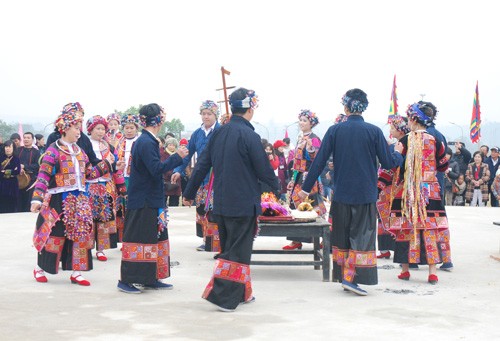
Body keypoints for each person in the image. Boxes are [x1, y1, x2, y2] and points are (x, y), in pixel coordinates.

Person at [297, 88, 403, 296]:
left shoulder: (335, 131)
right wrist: (397, 153)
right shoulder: (373, 132)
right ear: (364, 108)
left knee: (343, 237)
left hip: (342, 194)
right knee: (361, 237)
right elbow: (389, 163)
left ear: (345, 107)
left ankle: (345, 275)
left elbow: (318, 162)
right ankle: (351, 279)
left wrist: (305, 188)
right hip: (365, 194)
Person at [183, 87, 279, 312]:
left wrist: (188, 192)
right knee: (237, 251)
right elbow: (264, 170)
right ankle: (224, 297)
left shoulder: (218, 133)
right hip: (243, 203)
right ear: (250, 109)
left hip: (222, 203)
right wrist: (278, 190)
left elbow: (202, 164)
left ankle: (243, 293)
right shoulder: (250, 136)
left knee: (232, 247)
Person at [31, 102, 118, 286]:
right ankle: (40, 268)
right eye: (75, 128)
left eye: (79, 128)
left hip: (80, 199)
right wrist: (36, 199)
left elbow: (89, 174)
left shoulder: (80, 152)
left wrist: (106, 164)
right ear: (64, 129)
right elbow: (43, 176)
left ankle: (77, 272)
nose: (79, 132)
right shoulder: (53, 151)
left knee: (81, 235)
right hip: (58, 199)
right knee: (55, 234)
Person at [118, 103, 188, 294]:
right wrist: (177, 157)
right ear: (159, 120)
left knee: (154, 238)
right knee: (138, 239)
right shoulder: (146, 142)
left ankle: (150, 277)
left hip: (151, 199)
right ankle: (127, 280)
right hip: (143, 201)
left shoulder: (148, 140)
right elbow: (156, 168)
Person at [390, 103, 450, 285]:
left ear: (414, 119)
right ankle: (432, 272)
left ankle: (406, 270)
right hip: (430, 191)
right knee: (430, 227)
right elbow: (443, 164)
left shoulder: (405, 141)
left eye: (409, 119)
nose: (407, 122)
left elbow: (396, 164)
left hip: (409, 191)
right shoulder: (434, 140)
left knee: (407, 228)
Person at [171, 100, 221, 252]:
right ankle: (206, 239)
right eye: (203, 114)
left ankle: (216, 242)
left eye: (209, 114)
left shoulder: (221, 131)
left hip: (216, 176)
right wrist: (178, 169)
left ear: (215, 115)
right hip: (201, 176)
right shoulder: (197, 134)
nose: (206, 117)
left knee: (214, 210)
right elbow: (187, 154)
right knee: (201, 208)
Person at [283, 109, 326, 250]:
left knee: (312, 207)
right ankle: (296, 239)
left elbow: (317, 159)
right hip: (298, 176)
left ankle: (322, 238)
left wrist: (311, 149)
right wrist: (293, 178)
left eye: (305, 120)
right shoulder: (300, 138)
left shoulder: (314, 138)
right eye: (300, 120)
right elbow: (296, 161)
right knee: (295, 206)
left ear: (311, 123)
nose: (301, 123)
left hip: (309, 178)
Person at [86, 115, 127, 262]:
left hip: (106, 187)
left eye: (103, 128)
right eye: (98, 128)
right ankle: (87, 247)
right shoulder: (84, 146)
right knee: (88, 218)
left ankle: (101, 249)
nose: (101, 131)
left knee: (104, 218)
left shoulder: (109, 147)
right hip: (88, 187)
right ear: (90, 129)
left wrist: (121, 186)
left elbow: (116, 169)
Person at [376, 115, 410, 260]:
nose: (390, 130)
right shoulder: (402, 143)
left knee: (392, 217)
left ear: (400, 130)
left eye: (392, 128)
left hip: (394, 187)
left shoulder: (400, 145)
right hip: (399, 186)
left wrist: (378, 185)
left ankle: (392, 250)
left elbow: (389, 167)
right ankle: (388, 249)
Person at [17, 132, 41, 212]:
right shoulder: (18, 150)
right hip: (19, 180)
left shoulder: (36, 152)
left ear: (32, 140)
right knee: (19, 201)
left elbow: (37, 166)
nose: (26, 139)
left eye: (28, 138)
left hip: (31, 180)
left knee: (28, 201)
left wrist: (25, 166)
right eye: (24, 137)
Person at [0, 140, 21, 213]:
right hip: (2, 183)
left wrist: (4, 172)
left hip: (13, 184)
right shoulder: (1, 158)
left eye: (9, 147)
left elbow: (17, 171)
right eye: (6, 146)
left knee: (12, 204)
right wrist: (11, 172)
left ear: (13, 148)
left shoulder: (16, 159)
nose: (7, 148)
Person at [161, 137, 182, 207]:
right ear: (166, 145)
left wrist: (176, 173)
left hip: (176, 180)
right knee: (163, 200)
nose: (171, 147)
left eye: (173, 145)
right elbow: (162, 165)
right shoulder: (163, 154)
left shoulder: (178, 154)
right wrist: (170, 173)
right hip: (165, 180)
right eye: (170, 145)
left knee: (174, 202)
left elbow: (180, 165)